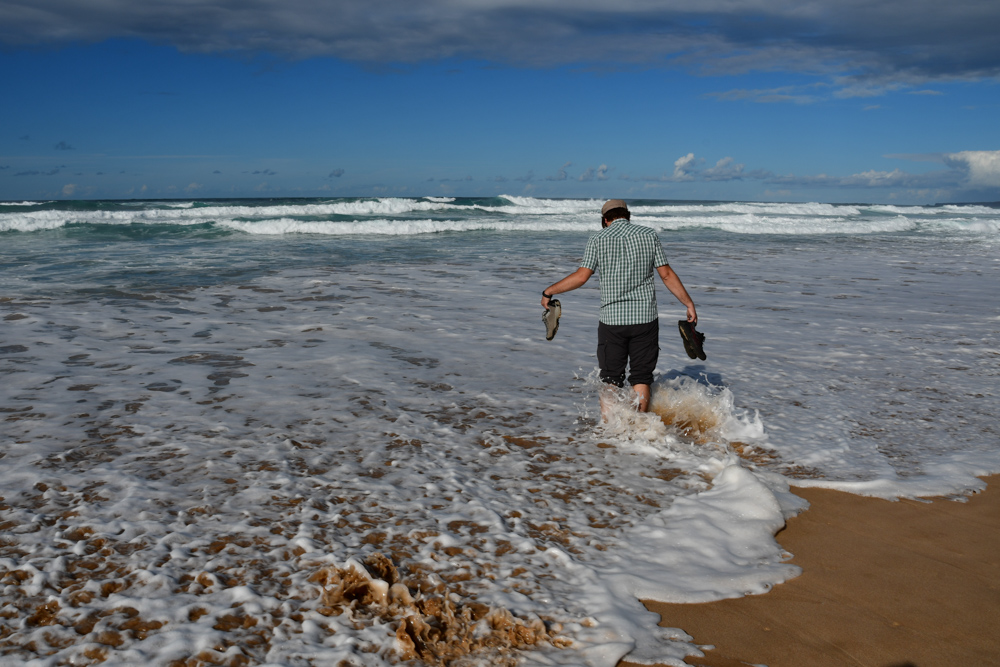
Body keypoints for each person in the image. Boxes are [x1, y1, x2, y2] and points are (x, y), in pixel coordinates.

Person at [541, 199, 697, 414]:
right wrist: (688, 303)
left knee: (610, 379)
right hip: (644, 318)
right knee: (641, 377)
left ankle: (611, 432)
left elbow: (581, 276)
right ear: (627, 215)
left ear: (605, 220)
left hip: (612, 321)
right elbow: (667, 275)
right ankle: (641, 428)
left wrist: (549, 291)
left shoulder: (597, 238)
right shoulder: (648, 234)